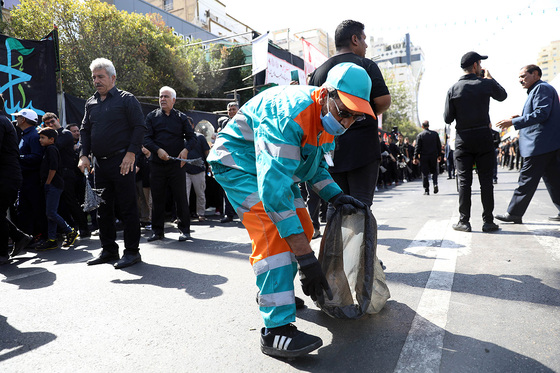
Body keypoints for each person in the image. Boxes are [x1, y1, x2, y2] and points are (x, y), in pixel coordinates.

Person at [208, 62, 373, 358]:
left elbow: (314, 165)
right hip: (237, 166)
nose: (346, 123)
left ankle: (275, 290)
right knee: (274, 234)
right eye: (344, 113)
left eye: (355, 117)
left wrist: (336, 196)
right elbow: (273, 193)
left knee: (304, 227)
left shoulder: (324, 117)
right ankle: (276, 331)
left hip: (272, 171)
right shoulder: (289, 116)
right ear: (325, 95)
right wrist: (307, 259)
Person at [308, 20, 390, 213]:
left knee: (335, 205)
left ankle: (334, 244)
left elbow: (315, 109)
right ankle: (359, 243)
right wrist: (361, 114)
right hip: (363, 150)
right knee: (360, 206)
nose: (366, 45)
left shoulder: (319, 72)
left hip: (331, 150)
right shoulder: (366, 66)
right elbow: (383, 100)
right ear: (354, 39)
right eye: (364, 39)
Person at [79, 58, 146, 269]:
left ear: (113, 77)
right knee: (102, 210)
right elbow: (84, 131)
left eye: (100, 76)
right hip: (100, 165)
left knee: (128, 208)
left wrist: (131, 154)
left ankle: (132, 252)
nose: (96, 81)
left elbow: (139, 127)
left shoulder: (127, 100)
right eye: (94, 77)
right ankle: (108, 250)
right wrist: (84, 155)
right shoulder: (91, 103)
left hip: (122, 162)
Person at [444, 51, 507, 233]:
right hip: (483, 138)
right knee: (486, 181)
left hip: (463, 139)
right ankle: (488, 221)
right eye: (480, 64)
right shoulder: (485, 84)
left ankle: (464, 221)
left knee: (464, 182)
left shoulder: (453, 89)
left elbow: (448, 118)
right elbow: (502, 95)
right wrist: (490, 78)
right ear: (475, 66)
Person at [495, 64, 560, 223]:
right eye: (519, 77)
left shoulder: (541, 89)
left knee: (526, 180)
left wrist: (514, 121)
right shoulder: (538, 89)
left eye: (523, 76)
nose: (520, 80)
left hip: (539, 144)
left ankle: (514, 213)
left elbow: (541, 114)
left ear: (536, 74)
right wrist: (521, 116)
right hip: (548, 144)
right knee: (554, 180)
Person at [144, 86, 197, 242]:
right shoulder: (151, 117)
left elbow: (192, 138)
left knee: (180, 197)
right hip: (156, 164)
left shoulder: (181, 118)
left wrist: (186, 150)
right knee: (157, 198)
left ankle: (185, 230)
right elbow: (146, 139)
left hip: (176, 165)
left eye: (166, 97)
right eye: (160, 96)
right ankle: (157, 231)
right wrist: (158, 150)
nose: (162, 99)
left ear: (173, 100)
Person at [43, 113, 90, 238]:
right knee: (60, 204)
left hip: (67, 172)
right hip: (57, 173)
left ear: (57, 120)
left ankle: (84, 228)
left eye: (52, 121)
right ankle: (69, 228)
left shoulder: (65, 133)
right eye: (48, 123)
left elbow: (56, 146)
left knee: (71, 201)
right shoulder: (50, 136)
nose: (51, 124)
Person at [36, 128, 78, 251]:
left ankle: (70, 231)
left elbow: (53, 168)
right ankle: (52, 239)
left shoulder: (51, 149)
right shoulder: (48, 149)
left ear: (51, 139)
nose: (40, 140)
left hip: (54, 185)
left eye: (43, 138)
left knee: (50, 212)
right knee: (51, 212)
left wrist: (48, 182)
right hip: (52, 185)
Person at [0, 95, 28, 264]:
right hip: (7, 175)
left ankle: (3, 253)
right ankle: (19, 237)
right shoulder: (4, 120)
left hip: (6, 176)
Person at [15, 108, 46, 243]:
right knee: (25, 209)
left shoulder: (33, 136)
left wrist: (19, 157)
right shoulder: (25, 135)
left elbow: (37, 157)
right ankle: (28, 238)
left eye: (18, 117)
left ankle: (43, 236)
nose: (16, 119)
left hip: (32, 178)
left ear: (24, 120)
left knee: (37, 208)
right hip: (25, 179)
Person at [216, 102, 239, 223]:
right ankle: (228, 214)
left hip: (241, 158)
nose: (231, 112)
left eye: (233, 109)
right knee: (227, 187)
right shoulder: (225, 123)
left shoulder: (244, 120)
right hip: (227, 158)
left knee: (242, 186)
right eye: (229, 110)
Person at [185, 117, 210, 222]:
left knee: (200, 193)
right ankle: (183, 215)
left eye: (188, 124)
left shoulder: (200, 137)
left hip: (199, 170)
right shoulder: (181, 138)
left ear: (193, 125)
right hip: (185, 170)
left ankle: (201, 214)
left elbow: (207, 153)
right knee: (184, 194)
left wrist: (209, 167)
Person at [414, 120, 442, 195]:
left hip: (424, 157)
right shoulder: (435, 134)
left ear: (422, 126)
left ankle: (426, 190)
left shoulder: (420, 135)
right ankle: (435, 184)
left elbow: (417, 147)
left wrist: (415, 157)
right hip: (433, 156)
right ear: (428, 126)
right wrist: (439, 155)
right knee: (434, 171)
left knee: (425, 173)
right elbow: (438, 145)